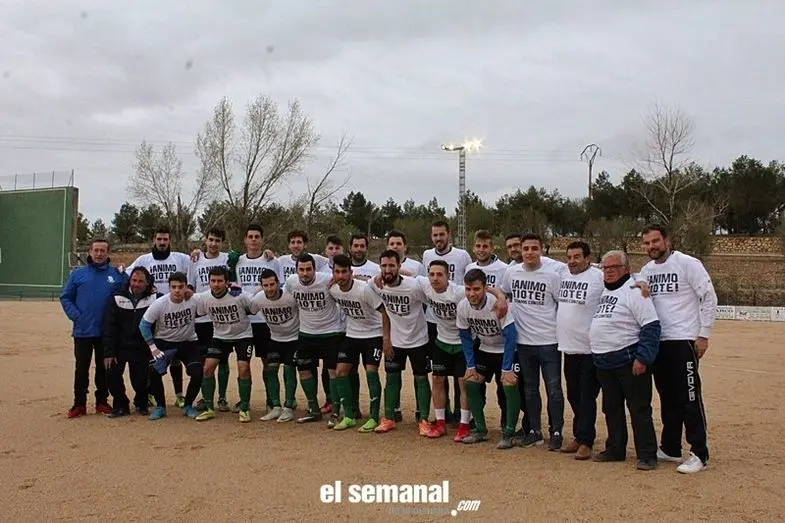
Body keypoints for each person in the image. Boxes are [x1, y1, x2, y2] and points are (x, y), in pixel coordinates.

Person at [640, 224, 716, 474]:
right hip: (658, 342)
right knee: (667, 398)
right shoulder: (647, 270)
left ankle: (699, 453)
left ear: (667, 241)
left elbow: (708, 296)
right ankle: (671, 447)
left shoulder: (687, 263)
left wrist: (703, 334)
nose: (651, 246)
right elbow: (635, 283)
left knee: (689, 397)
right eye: (647, 243)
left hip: (683, 340)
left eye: (655, 241)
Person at [590, 250, 661, 471]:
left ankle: (647, 454)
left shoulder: (635, 292)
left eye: (614, 268)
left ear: (626, 269)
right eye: (606, 268)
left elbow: (651, 326)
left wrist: (643, 358)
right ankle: (615, 449)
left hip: (628, 360)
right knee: (611, 408)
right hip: (604, 361)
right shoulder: (605, 289)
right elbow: (585, 266)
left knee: (639, 409)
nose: (609, 272)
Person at [500, 233, 564, 450]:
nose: (529, 252)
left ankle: (556, 431)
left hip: (549, 341)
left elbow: (561, 303)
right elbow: (504, 293)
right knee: (530, 389)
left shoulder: (552, 275)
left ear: (541, 250)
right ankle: (535, 431)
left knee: (554, 389)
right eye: (526, 248)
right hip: (524, 341)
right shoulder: (512, 272)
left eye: (534, 248)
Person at [59, 238, 126, 418]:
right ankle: (79, 403)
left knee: (104, 369)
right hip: (83, 331)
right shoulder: (78, 275)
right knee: (81, 369)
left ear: (108, 253)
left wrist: (124, 272)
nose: (99, 254)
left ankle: (102, 402)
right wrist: (76, 316)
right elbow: (65, 297)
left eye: (103, 251)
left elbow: (130, 289)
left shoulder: (116, 275)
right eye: (96, 250)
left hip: (106, 332)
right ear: (90, 252)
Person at [126, 226, 192, 408]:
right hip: (151, 311)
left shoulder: (180, 258)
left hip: (175, 311)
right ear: (153, 240)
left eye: (165, 239)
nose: (162, 242)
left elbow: (198, 264)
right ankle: (150, 393)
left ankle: (179, 395)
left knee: (175, 355)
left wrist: (196, 253)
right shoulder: (144, 259)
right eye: (159, 239)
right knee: (152, 354)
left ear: (170, 241)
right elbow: (127, 275)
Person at [370, 250, 432, 436]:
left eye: (391, 265)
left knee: (421, 378)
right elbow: (383, 310)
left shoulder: (414, 286)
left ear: (399, 266)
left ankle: (423, 419)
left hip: (418, 340)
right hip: (395, 341)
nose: (387, 269)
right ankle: (389, 418)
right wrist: (386, 339)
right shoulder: (377, 285)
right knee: (391, 378)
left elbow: (431, 296)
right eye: (384, 266)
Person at [457, 269, 520, 448]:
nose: (472, 294)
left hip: (506, 350)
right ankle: (480, 429)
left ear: (485, 288)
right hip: (485, 348)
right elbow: (465, 337)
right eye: (468, 289)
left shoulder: (496, 304)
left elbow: (511, 336)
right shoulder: (463, 306)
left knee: (509, 383)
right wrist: (470, 365)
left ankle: (508, 432)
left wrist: (506, 368)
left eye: (476, 289)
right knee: (470, 381)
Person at [329, 254, 390, 432]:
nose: (341, 276)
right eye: (337, 272)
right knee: (340, 371)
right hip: (352, 334)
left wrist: (386, 338)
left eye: (344, 272)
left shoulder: (363, 290)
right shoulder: (333, 290)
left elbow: (384, 311)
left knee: (371, 372)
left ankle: (373, 417)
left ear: (351, 272)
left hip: (373, 334)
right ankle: (349, 415)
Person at [284, 253, 346, 425]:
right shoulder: (291, 282)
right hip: (306, 333)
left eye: (308, 269)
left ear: (314, 269)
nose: (305, 273)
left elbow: (347, 282)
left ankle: (335, 411)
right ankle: (313, 409)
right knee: (303, 370)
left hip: (331, 333)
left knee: (333, 372)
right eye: (301, 270)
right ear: (296, 270)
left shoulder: (327, 280)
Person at [556, 241, 604, 460]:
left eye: (577, 257)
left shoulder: (598, 277)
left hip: (590, 350)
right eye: (569, 257)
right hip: (569, 348)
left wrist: (640, 283)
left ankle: (586, 441)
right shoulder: (563, 273)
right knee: (574, 396)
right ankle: (579, 435)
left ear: (587, 258)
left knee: (586, 397)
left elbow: (626, 280)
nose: (572, 261)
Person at [422, 221, 472, 425]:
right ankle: (444, 414)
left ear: (449, 235)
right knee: (439, 375)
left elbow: (473, 283)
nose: (438, 238)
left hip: (460, 325)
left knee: (462, 377)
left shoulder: (462, 256)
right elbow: (417, 280)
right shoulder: (427, 255)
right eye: (435, 235)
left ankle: (463, 417)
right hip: (435, 324)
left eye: (441, 234)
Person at [415, 260, 472, 441]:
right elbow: (407, 275)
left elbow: (484, 290)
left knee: (463, 382)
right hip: (441, 341)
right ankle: (440, 423)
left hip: (462, 342)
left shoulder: (459, 292)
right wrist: (379, 277)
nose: (435, 278)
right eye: (432, 274)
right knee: (437, 379)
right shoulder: (425, 285)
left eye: (440, 274)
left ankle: (464, 425)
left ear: (448, 276)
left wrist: (500, 297)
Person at [234, 224, 284, 416]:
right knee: (242, 363)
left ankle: (272, 400)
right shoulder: (237, 261)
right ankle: (244, 400)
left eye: (257, 236)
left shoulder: (272, 260)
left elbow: (279, 285)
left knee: (268, 363)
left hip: (264, 320)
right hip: (244, 320)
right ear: (245, 240)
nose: (254, 240)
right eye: (250, 236)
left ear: (262, 239)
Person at [194, 267, 256, 423]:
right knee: (207, 368)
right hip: (220, 336)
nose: (216, 284)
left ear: (227, 282)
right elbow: (199, 311)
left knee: (243, 368)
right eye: (213, 281)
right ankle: (209, 408)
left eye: (220, 281)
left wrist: (240, 292)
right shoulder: (204, 298)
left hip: (243, 336)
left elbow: (254, 308)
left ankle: (244, 408)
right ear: (208, 282)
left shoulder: (239, 295)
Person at [139, 272, 204, 420]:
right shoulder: (160, 303)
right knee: (154, 371)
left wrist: (232, 287)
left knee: (197, 372)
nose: (177, 290)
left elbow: (211, 296)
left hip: (187, 341)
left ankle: (188, 405)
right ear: (169, 288)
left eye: (181, 287)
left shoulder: (194, 300)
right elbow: (144, 325)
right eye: (173, 287)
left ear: (186, 287)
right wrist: (153, 348)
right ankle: (160, 406)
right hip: (164, 342)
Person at [102, 267, 157, 418]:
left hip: (141, 347)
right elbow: (109, 326)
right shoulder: (117, 297)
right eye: (134, 280)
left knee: (140, 381)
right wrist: (108, 352)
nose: (136, 284)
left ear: (147, 283)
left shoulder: (155, 298)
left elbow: (172, 300)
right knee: (111, 374)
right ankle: (120, 405)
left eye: (140, 281)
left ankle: (141, 403)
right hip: (119, 346)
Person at [188, 228, 231, 412]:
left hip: (222, 317)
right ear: (205, 240)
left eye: (217, 240)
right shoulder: (195, 259)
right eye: (211, 239)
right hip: (201, 318)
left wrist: (268, 253)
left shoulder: (228, 259)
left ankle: (222, 398)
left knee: (223, 360)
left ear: (222, 242)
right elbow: (190, 286)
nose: (213, 243)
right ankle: (206, 397)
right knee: (205, 361)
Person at [249, 269, 299, 423]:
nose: (269, 288)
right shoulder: (259, 298)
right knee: (270, 370)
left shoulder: (290, 297)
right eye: (266, 285)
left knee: (289, 370)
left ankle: (288, 407)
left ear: (278, 283)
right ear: (261, 286)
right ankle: (276, 407)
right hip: (275, 338)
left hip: (294, 338)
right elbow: (250, 310)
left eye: (272, 284)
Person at [386, 229, 425, 424]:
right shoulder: (382, 270)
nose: (395, 246)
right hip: (395, 334)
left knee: (421, 375)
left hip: (417, 333)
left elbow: (425, 290)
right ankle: (393, 410)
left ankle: (421, 413)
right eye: (392, 244)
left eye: (398, 243)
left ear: (405, 247)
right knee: (393, 375)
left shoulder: (417, 266)